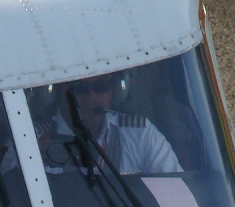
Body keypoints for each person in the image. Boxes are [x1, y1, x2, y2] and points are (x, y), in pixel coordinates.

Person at [36, 74, 182, 176]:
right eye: (79, 88)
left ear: (116, 89)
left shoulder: (141, 135)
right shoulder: (33, 140)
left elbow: (175, 192)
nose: (91, 97)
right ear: (56, 91)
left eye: (101, 86)